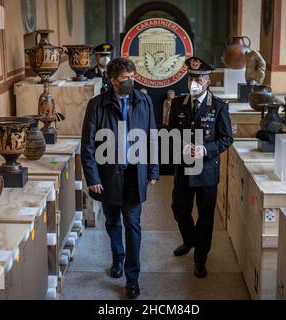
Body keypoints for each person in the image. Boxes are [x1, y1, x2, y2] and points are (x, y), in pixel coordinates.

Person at [81, 57, 159, 298]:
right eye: (126, 79)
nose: (131, 81)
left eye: (133, 77)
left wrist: (154, 169)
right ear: (113, 81)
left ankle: (132, 277)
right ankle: (118, 258)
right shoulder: (97, 105)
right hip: (107, 176)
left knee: (133, 225)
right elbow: (88, 145)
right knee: (113, 221)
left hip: (135, 175)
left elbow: (152, 137)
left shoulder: (143, 100)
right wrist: (92, 177)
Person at [168, 57, 234, 278]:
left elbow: (226, 139)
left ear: (208, 81)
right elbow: (171, 133)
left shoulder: (219, 106)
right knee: (179, 209)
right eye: (191, 78)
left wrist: (205, 150)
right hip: (184, 168)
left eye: (199, 78)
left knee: (206, 216)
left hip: (206, 170)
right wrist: (181, 146)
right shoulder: (178, 104)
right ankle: (189, 240)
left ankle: (200, 259)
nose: (194, 82)